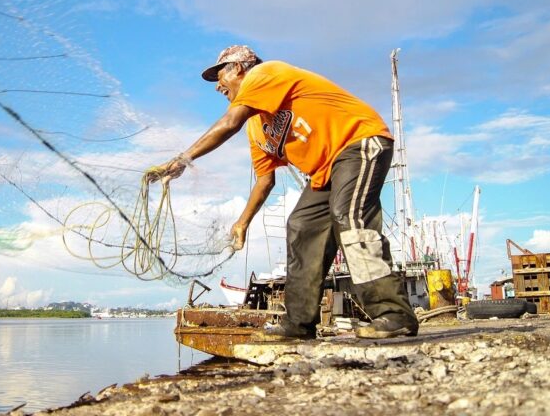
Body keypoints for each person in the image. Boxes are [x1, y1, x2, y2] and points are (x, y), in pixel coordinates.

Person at [150, 45, 417, 339]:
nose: (217, 85)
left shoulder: (265, 73)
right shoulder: (257, 127)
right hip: (324, 171)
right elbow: (265, 181)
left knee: (349, 217)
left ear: (239, 68)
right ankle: (298, 324)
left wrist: (182, 160)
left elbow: (228, 124)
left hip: (359, 141)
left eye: (220, 74)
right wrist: (242, 223)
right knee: (301, 226)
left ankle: (394, 314)